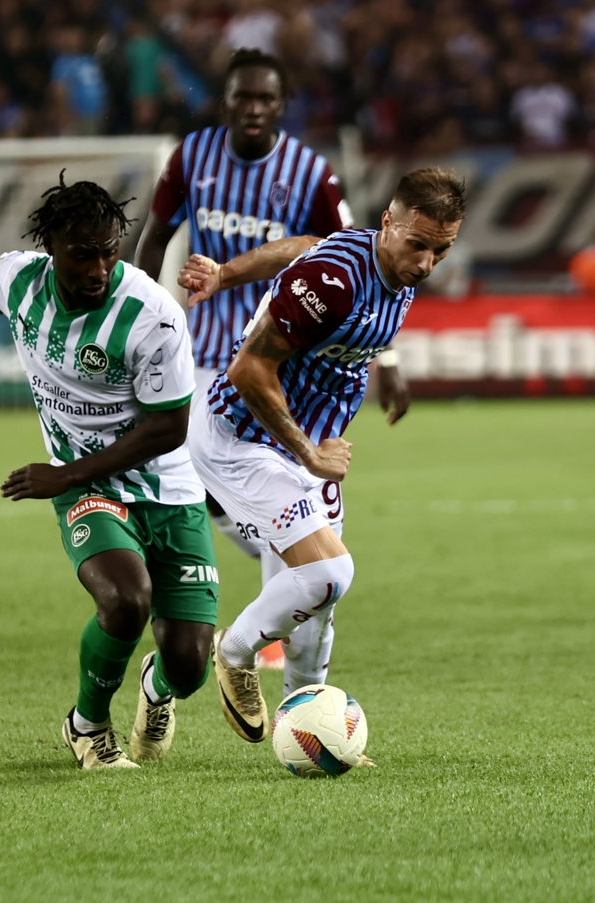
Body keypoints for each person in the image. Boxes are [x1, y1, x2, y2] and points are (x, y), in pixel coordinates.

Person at [135, 47, 409, 665]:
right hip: (204, 352)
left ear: (282, 105)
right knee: (199, 490)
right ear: (225, 102)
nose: (254, 108)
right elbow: (153, 241)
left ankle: (272, 631)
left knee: (272, 495)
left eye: (265, 98)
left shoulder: (310, 173)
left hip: (286, 360)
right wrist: (139, 326)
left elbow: (354, 257)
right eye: (243, 97)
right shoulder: (191, 157)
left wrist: (386, 361)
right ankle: (253, 612)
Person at [179, 167, 466, 743]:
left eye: (441, 250)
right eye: (417, 245)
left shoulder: (385, 262)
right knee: (329, 574)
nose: (426, 264)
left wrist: (227, 273)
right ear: (388, 222)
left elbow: (304, 246)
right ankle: (233, 651)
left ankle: (307, 731)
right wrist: (310, 454)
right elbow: (247, 369)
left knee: (316, 610)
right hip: (244, 438)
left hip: (303, 447)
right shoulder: (334, 283)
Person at [0, 168, 218, 769]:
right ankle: (88, 726)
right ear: (51, 248)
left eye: (108, 253)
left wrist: (62, 475)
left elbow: (168, 428)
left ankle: (156, 689)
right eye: (82, 255)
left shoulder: (152, 313)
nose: (98, 269)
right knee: (126, 599)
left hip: (168, 488)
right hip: (89, 486)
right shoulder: (20, 280)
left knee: (189, 665)